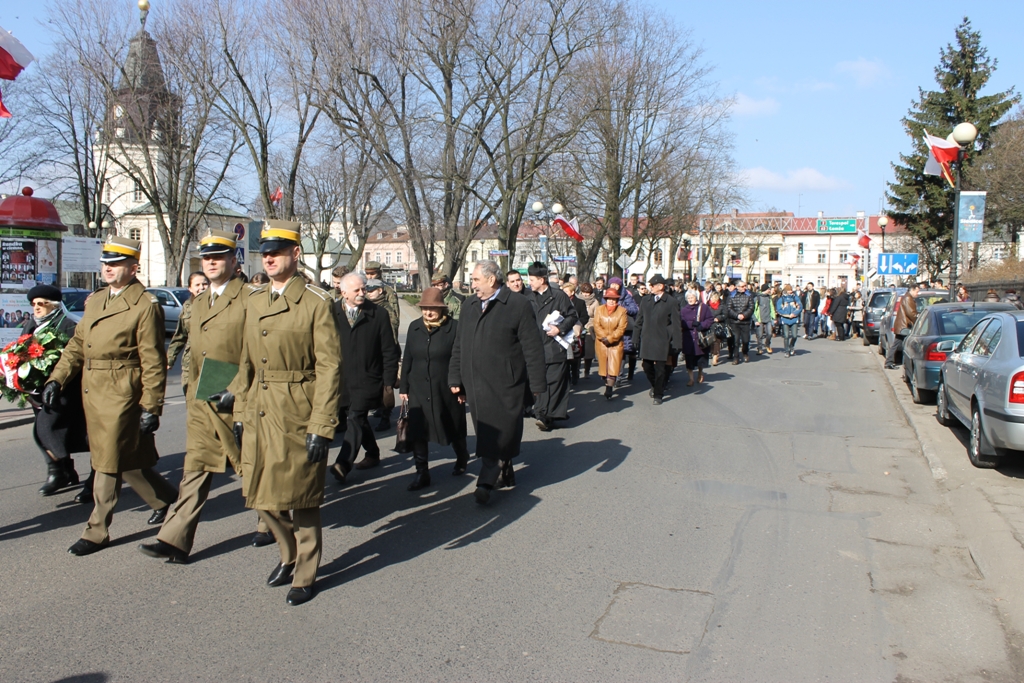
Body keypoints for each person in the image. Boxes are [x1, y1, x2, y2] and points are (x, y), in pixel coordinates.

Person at [229, 221, 343, 606]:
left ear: (296, 253)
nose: (270, 257)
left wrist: (322, 424)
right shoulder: (254, 300)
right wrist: (240, 409)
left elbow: (329, 367)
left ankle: (306, 572)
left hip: (298, 406)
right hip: (260, 406)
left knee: (302, 496)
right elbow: (245, 362)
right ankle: (288, 551)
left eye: (278, 250)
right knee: (259, 491)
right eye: (266, 252)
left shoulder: (315, 301)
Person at [43, 236, 178, 556]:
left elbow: (153, 361)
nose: (108, 268)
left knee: (106, 461)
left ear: (134, 268)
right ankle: (168, 501)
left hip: (123, 391)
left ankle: (96, 530)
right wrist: (56, 379)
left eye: (116, 263)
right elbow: (77, 345)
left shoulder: (145, 305)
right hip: (94, 388)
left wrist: (152, 406)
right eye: (106, 262)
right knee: (128, 460)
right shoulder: (98, 299)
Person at [139, 229, 250, 565]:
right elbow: (193, 350)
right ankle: (174, 540)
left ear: (233, 261)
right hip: (203, 394)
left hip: (236, 397)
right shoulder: (198, 303)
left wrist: (238, 390)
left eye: (219, 257)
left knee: (253, 468)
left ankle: (279, 527)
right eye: (207, 258)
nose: (212, 263)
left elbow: (258, 352)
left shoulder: (250, 298)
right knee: (196, 467)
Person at [449, 261, 546, 504]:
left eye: (475, 280)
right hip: (475, 383)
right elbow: (459, 344)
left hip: (506, 383)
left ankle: (486, 479)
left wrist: (537, 385)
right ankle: (506, 469)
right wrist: (455, 377)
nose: (472, 285)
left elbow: (532, 347)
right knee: (486, 431)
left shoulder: (518, 305)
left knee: (502, 432)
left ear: (491, 280)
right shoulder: (470, 304)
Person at [330, 273, 400, 485]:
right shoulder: (331, 313)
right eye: (357, 290)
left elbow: (389, 350)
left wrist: (388, 381)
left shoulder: (377, 314)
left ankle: (343, 463)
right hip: (341, 380)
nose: (363, 294)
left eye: (364, 289)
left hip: (369, 378)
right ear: (343, 293)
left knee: (355, 417)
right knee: (357, 418)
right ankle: (373, 452)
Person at [398, 287, 470, 490]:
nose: (428, 312)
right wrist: (404, 387)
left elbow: (461, 359)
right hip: (419, 388)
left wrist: (461, 388)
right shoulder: (414, 327)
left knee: (453, 426)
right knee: (418, 431)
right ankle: (422, 473)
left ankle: (462, 456)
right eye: (425, 308)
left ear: (442, 309)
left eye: (433, 308)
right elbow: (408, 358)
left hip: (446, 388)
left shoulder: (454, 328)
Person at [23, 285, 88, 497]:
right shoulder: (31, 325)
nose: (36, 308)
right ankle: (65, 470)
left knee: (48, 429)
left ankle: (59, 472)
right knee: (47, 431)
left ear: (53, 305)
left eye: (41, 304)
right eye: (33, 304)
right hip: (38, 391)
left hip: (66, 391)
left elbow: (75, 358)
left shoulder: (68, 326)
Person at [526, 262, 578, 431]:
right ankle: (542, 413)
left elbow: (572, 316)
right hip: (534, 349)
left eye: (532, 279)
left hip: (554, 348)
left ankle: (545, 415)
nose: (530, 282)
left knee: (554, 383)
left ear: (542, 280)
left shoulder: (559, 296)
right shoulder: (528, 297)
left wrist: (559, 329)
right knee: (539, 382)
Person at [634, 274, 682, 405]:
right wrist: (635, 338)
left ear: (660, 286)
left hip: (662, 340)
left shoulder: (671, 302)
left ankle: (658, 394)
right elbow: (639, 320)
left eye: (652, 285)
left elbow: (676, 324)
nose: (650, 288)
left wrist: (677, 342)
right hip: (647, 338)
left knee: (661, 369)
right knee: (646, 366)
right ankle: (655, 385)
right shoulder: (646, 301)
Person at [166, 271, 210, 397]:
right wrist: (170, 358)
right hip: (190, 361)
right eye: (197, 285)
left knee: (210, 402)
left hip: (211, 361)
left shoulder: (216, 304)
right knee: (190, 397)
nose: (201, 287)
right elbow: (180, 335)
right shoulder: (187, 306)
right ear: (190, 288)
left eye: (204, 284)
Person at [365, 278, 400, 431]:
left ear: (380, 291)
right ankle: (378, 408)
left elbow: (391, 335)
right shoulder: (366, 307)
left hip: (385, 354)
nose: (368, 293)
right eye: (368, 290)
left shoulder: (386, 310)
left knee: (387, 387)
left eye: (372, 290)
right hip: (371, 354)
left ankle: (386, 416)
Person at [591, 288, 628, 400]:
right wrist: (604, 338)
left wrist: (611, 338)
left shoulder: (622, 311)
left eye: (614, 299)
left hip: (615, 343)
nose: (611, 301)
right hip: (601, 343)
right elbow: (596, 325)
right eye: (609, 299)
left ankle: (609, 388)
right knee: (603, 369)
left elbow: (621, 328)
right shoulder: (599, 309)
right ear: (605, 299)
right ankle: (606, 382)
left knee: (613, 368)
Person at [679, 290, 715, 385]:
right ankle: (691, 379)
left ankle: (700, 372)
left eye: (692, 297)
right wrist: (691, 324)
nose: (690, 299)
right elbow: (681, 322)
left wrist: (702, 325)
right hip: (689, 338)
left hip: (700, 337)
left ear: (696, 297)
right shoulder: (684, 310)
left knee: (700, 359)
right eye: (688, 298)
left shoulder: (704, 307)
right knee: (689, 360)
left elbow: (710, 319)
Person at [608, 277, 639, 380]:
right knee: (613, 352)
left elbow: (635, 310)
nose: (614, 286)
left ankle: (622, 374)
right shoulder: (607, 294)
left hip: (625, 328)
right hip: (611, 327)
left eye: (616, 284)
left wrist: (623, 308)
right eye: (612, 284)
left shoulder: (626, 295)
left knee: (624, 352)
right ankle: (614, 374)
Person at [885, 282, 920, 370]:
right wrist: (918, 320)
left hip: (902, 325)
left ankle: (889, 362)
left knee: (897, 344)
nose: (917, 294)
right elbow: (911, 313)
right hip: (905, 326)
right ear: (912, 290)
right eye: (917, 291)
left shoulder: (907, 297)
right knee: (906, 346)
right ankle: (895, 363)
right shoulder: (908, 298)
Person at [562, 282, 588, 385]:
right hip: (564, 331)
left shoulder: (580, 302)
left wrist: (578, 324)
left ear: (572, 292)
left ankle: (575, 374)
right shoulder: (560, 301)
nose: (564, 293)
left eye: (566, 291)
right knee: (565, 355)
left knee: (575, 356)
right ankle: (566, 376)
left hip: (575, 332)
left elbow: (584, 316)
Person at [726, 281, 754, 364]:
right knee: (736, 340)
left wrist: (744, 315)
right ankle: (736, 357)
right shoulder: (731, 295)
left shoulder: (749, 295)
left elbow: (751, 307)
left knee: (746, 340)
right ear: (737, 287)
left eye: (745, 286)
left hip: (745, 321)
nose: (744, 287)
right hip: (734, 321)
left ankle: (745, 352)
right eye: (742, 286)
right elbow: (729, 308)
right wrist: (737, 315)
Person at [775, 284, 803, 357]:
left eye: (791, 290)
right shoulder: (782, 299)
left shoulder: (795, 298)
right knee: (786, 336)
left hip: (794, 319)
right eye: (788, 290)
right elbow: (779, 309)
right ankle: (786, 350)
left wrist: (794, 313)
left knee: (794, 336)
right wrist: (787, 314)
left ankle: (791, 346)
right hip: (785, 319)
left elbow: (800, 307)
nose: (790, 291)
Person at [578, 283, 599, 378]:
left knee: (588, 351)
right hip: (578, 325)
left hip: (590, 326)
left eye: (588, 293)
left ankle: (587, 370)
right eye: (584, 292)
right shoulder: (577, 299)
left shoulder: (595, 302)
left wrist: (591, 326)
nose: (586, 295)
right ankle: (576, 370)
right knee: (577, 351)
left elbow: (597, 317)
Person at [753, 283, 775, 355]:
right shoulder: (757, 297)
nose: (770, 290)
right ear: (765, 289)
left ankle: (767, 345)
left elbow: (771, 307)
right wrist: (755, 320)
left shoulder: (769, 297)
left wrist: (773, 317)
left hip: (768, 318)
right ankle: (759, 348)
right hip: (760, 319)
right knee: (759, 335)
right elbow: (753, 310)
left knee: (769, 333)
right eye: (769, 289)